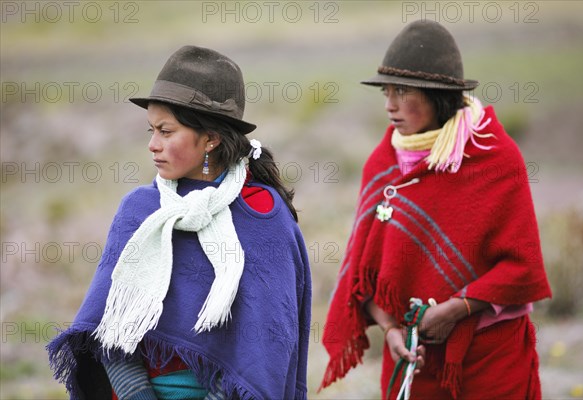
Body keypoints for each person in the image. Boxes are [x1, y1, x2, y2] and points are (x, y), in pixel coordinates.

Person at [47, 46, 311, 400]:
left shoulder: (262, 215)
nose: (153, 145)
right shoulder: (141, 212)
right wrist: (137, 394)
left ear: (211, 139)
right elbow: (109, 327)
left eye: (166, 132)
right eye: (151, 131)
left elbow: (269, 344)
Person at [320, 20, 551, 399]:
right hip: (415, 358)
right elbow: (366, 270)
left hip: (492, 358)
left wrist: (457, 308)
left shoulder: (495, 158)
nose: (389, 104)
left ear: (438, 96)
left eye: (402, 91)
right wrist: (392, 329)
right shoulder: (384, 164)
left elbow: (522, 265)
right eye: (386, 92)